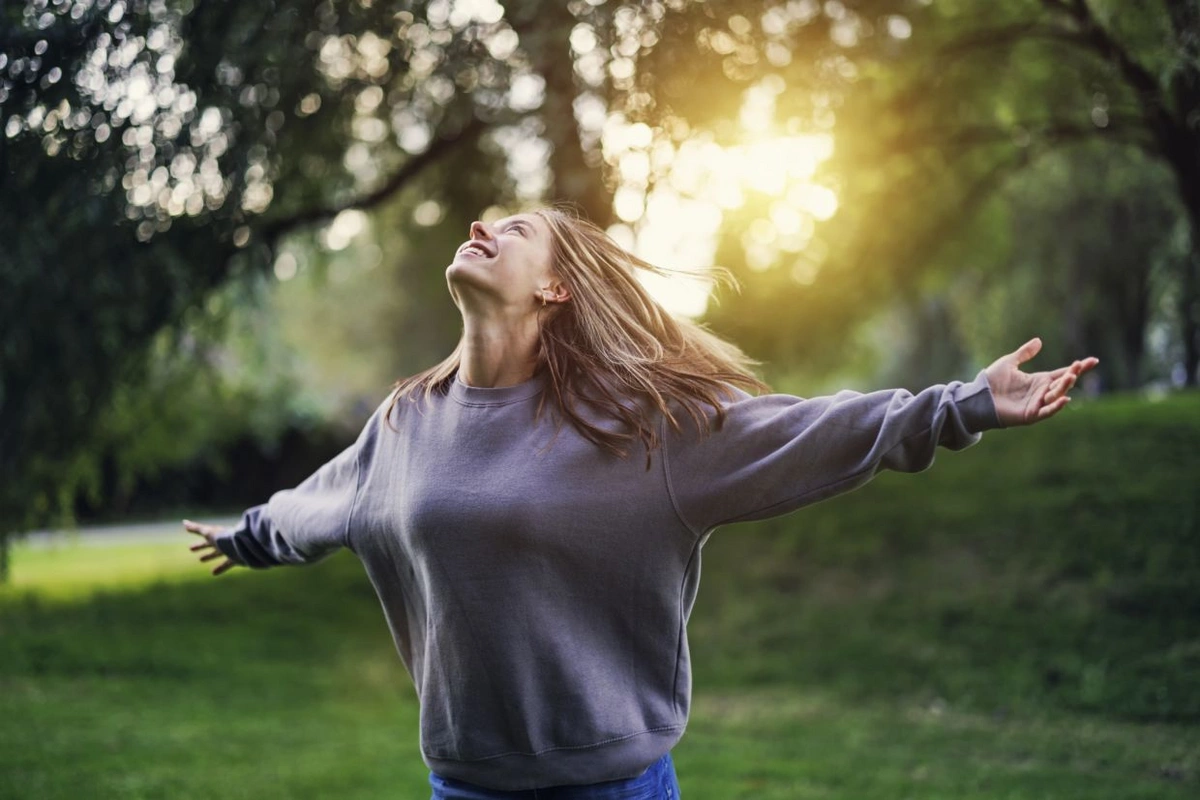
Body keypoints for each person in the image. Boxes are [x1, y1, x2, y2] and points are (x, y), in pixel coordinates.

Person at [184, 206, 1099, 799]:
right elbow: (323, 501)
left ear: (555, 287)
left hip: (611, 788)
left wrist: (965, 405)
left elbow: (811, 431)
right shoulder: (405, 423)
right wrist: (251, 535)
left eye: (515, 229)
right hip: (464, 786)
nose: (481, 225)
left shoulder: (641, 427)